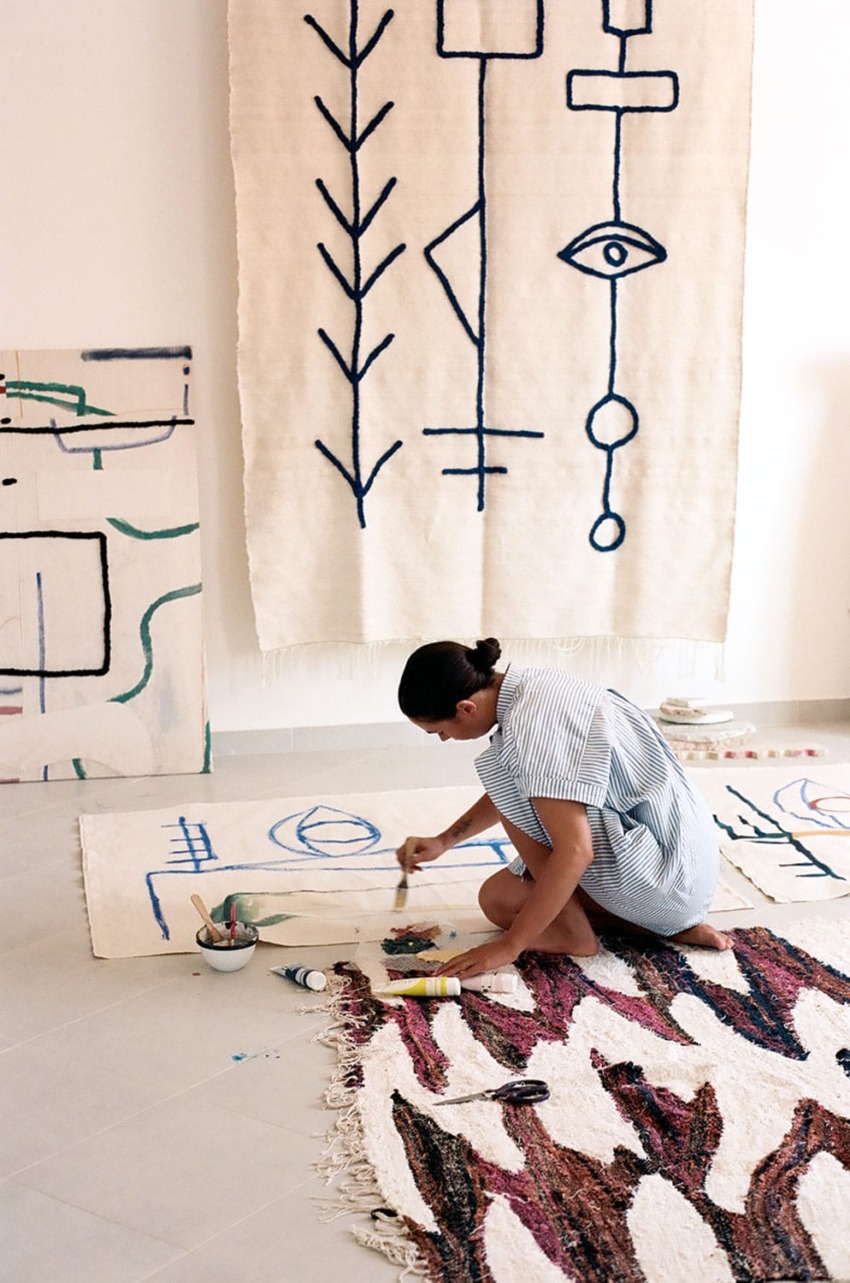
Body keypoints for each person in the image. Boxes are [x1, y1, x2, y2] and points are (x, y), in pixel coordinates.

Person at [395, 638, 730, 981]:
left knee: (511, 780)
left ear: (466, 708)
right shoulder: (531, 689)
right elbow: (526, 787)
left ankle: (574, 934)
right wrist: (444, 841)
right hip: (682, 873)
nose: (444, 740)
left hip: (664, 872)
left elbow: (575, 850)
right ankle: (662, 926)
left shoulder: (532, 730)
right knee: (498, 900)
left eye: (439, 731)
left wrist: (509, 946)